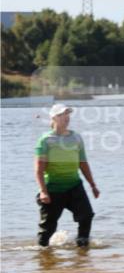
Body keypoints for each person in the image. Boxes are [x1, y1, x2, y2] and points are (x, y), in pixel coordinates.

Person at [34, 104, 99, 247]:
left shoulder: (76, 138)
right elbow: (39, 170)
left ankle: (82, 246)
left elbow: (83, 163)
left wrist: (93, 185)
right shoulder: (45, 140)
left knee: (86, 215)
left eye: (67, 114)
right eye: (62, 114)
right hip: (53, 189)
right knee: (48, 229)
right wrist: (44, 191)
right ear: (54, 118)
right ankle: (42, 253)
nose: (66, 117)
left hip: (74, 186)